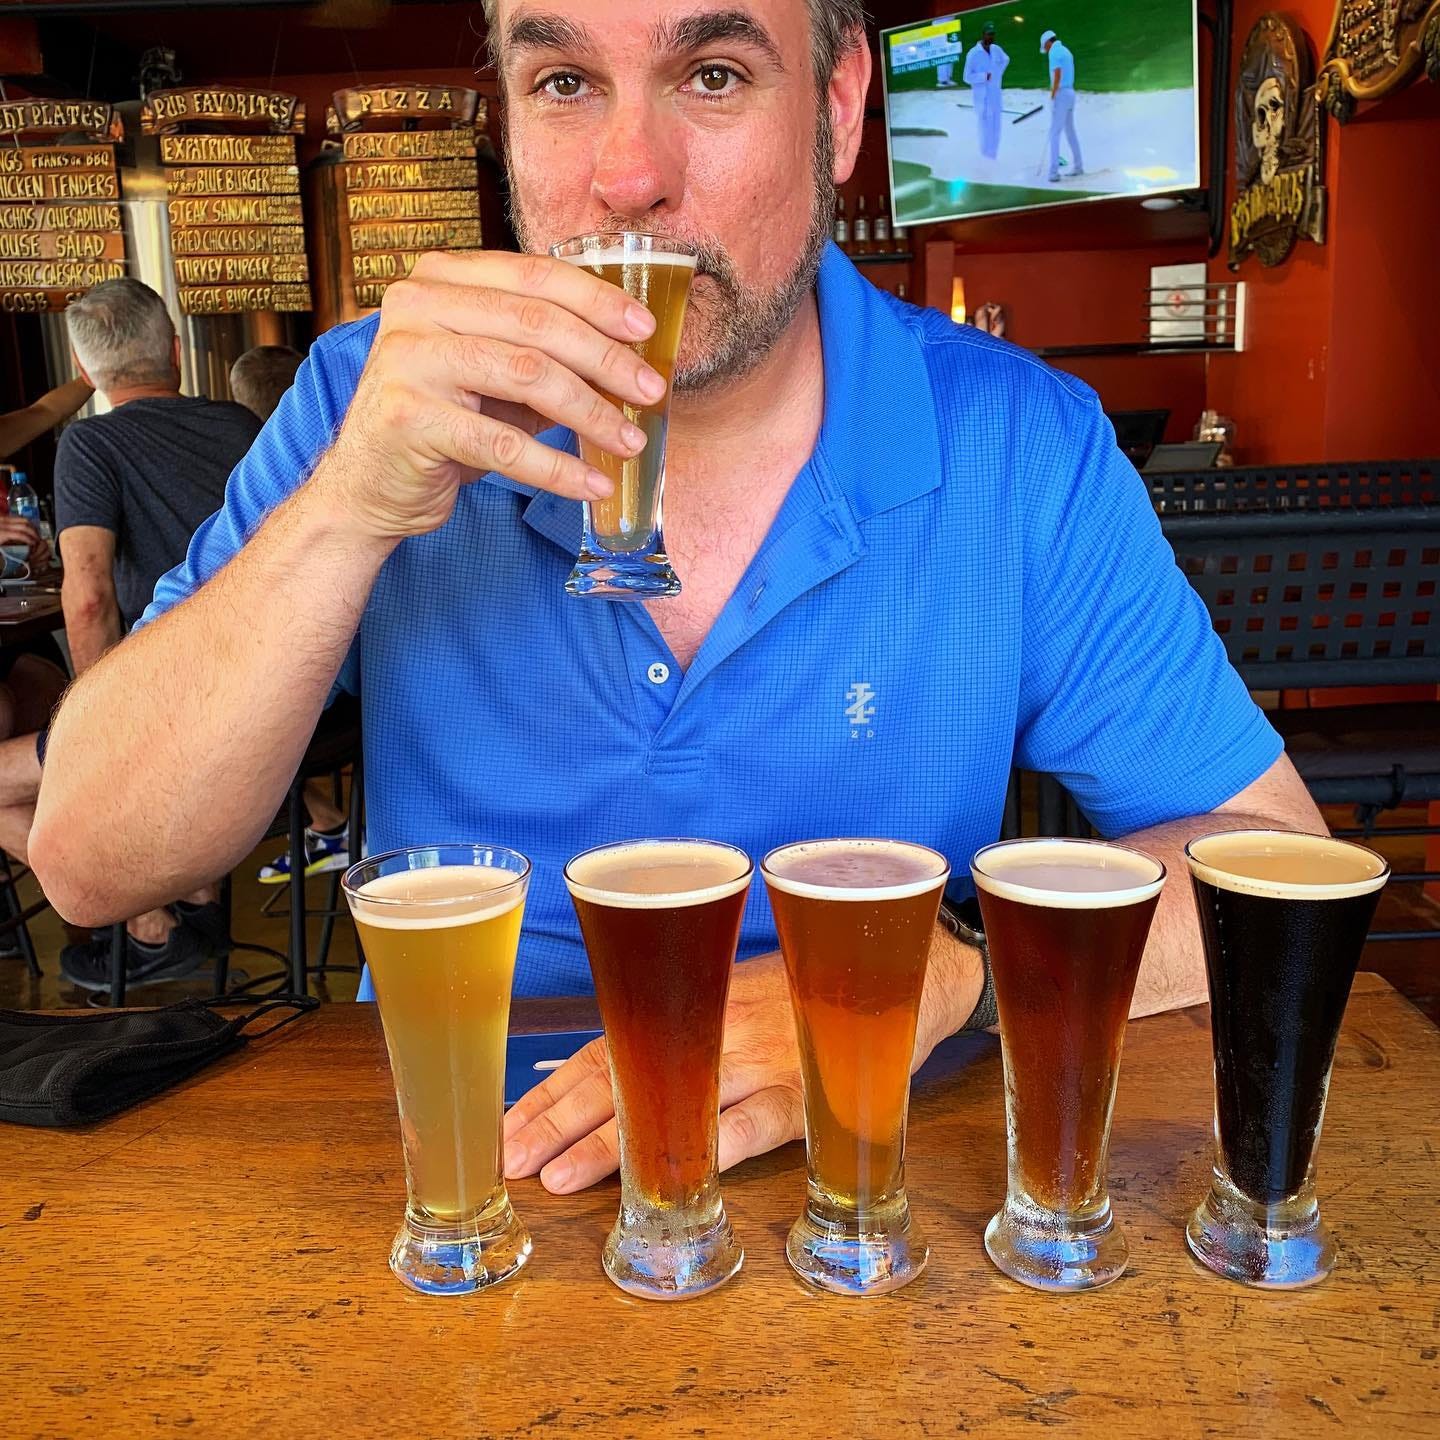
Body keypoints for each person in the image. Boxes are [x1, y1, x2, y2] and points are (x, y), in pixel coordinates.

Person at [33, 1, 1320, 1191]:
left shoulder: (1019, 442)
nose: (627, 177)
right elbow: (89, 862)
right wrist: (347, 509)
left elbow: (1273, 865)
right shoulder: (359, 400)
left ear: (837, 107)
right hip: (463, 1181)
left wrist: (946, 974)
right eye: (563, 82)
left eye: (711, 75)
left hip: (880, 1179)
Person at [33, 278, 262, 989]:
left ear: (84, 370)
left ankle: (152, 926)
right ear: (175, 351)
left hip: (178, 707)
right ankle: (195, 904)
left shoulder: (89, 443)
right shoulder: (238, 424)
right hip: (280, 697)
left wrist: (94, 720)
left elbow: (88, 599)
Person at [228, 343, 352, 883]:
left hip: (300, 715)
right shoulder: (322, 438)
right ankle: (332, 828)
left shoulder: (272, 470)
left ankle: (328, 829)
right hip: (351, 716)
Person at [1041, 28, 1084, 183]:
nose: (1045, 50)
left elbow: (1057, 75)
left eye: (1045, 47)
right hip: (1070, 93)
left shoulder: (1054, 52)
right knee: (1070, 131)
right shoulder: (1066, 51)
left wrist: (1053, 95)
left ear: (1048, 42)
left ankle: (1053, 173)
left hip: (1061, 94)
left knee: (1054, 133)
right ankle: (1078, 166)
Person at [963, 22, 1009, 161]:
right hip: (982, 97)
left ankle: (993, 154)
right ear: (983, 35)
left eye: (993, 34)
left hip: (995, 95)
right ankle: (984, 156)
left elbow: (1006, 59)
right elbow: (966, 77)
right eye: (989, 34)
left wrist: (998, 73)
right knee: (985, 127)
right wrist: (984, 77)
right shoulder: (973, 54)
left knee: (996, 126)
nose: (991, 37)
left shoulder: (996, 50)